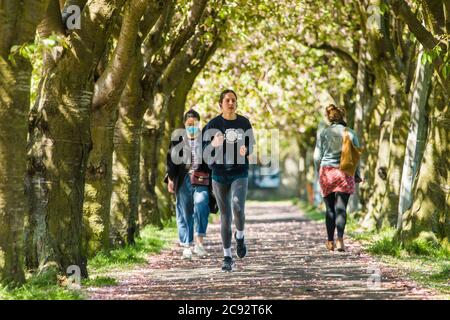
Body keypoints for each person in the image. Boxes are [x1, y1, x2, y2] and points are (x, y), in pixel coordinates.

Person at [203, 89, 255, 272]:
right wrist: (213, 145)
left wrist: (246, 151)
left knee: (238, 206)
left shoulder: (244, 122)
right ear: (220, 104)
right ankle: (227, 256)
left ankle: (239, 237)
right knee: (225, 215)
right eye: (227, 100)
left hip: (239, 171)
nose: (231, 103)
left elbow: (252, 145)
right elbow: (204, 152)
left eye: (234, 100)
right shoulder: (213, 124)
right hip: (219, 173)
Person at [313, 104, 362, 252]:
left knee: (330, 209)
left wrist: (319, 173)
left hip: (327, 173)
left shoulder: (324, 133)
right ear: (343, 116)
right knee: (341, 208)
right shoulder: (350, 133)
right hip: (344, 173)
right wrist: (357, 174)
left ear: (329, 117)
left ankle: (329, 242)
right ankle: (340, 240)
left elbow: (316, 157)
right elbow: (356, 157)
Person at [166, 109, 212, 259]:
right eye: (189, 124)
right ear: (185, 124)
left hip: (201, 178)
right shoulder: (178, 139)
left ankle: (199, 244)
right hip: (183, 178)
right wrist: (170, 179)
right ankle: (186, 245)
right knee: (184, 211)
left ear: (199, 123)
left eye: (195, 123)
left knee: (201, 204)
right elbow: (171, 160)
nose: (192, 126)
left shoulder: (205, 139)